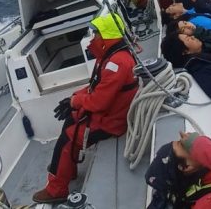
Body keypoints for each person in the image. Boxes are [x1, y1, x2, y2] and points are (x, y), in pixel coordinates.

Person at [32, 13, 137, 204]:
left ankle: (57, 190)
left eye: (96, 34)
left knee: (68, 138)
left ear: (106, 36)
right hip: (108, 112)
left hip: (111, 121)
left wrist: (75, 102)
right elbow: (95, 86)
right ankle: (67, 170)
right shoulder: (110, 56)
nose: (92, 38)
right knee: (70, 119)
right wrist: (73, 98)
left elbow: (99, 102)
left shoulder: (117, 63)